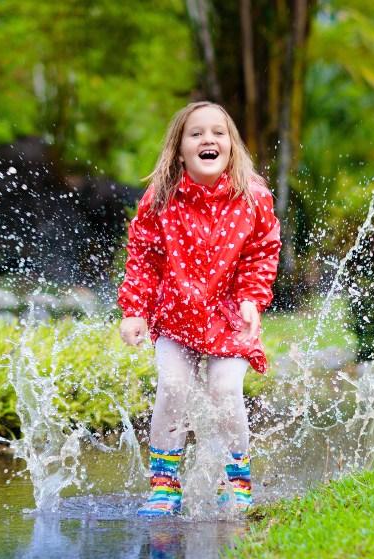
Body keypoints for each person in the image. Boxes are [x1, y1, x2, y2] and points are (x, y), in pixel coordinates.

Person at [117, 101, 281, 516]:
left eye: (218, 132)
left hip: (229, 316)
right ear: (179, 150)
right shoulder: (161, 199)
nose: (208, 139)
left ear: (231, 146)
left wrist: (250, 297)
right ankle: (164, 483)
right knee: (173, 387)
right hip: (176, 314)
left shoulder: (253, 197)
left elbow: (263, 252)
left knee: (224, 389)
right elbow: (143, 257)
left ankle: (237, 479)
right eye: (196, 133)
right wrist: (135, 309)